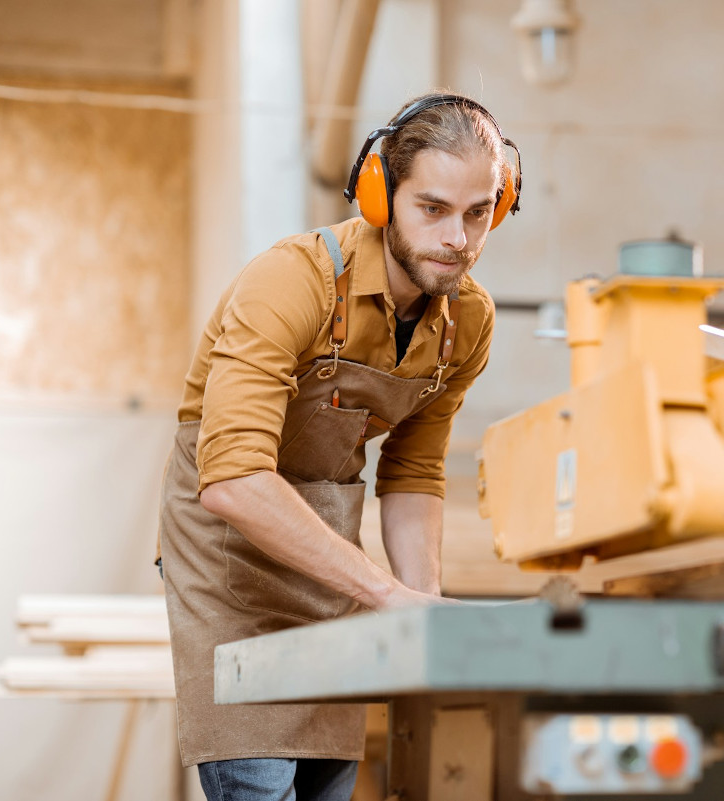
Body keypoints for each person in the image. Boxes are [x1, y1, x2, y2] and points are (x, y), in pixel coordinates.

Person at [157, 92, 520, 800]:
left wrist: (423, 608)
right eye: (434, 208)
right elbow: (230, 478)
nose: (458, 238)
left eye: (479, 212)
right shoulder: (291, 282)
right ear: (381, 196)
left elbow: (413, 472)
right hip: (231, 567)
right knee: (259, 777)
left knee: (328, 782)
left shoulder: (466, 323)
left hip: (330, 565)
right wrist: (383, 592)